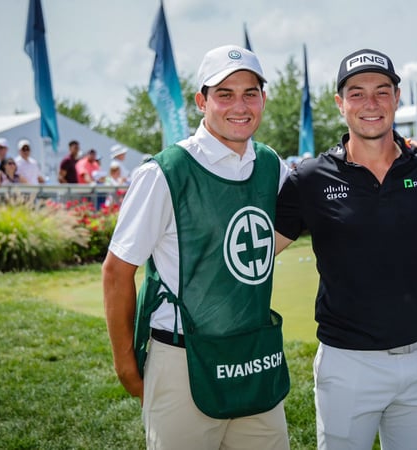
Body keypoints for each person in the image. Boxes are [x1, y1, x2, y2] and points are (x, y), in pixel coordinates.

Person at [274, 48, 417, 450]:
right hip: (348, 364)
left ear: (397, 98)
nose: (371, 104)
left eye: (382, 92)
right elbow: (258, 254)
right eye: (357, 93)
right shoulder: (310, 178)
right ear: (340, 103)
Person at [102, 44, 290, 450]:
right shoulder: (164, 171)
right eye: (225, 94)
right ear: (201, 100)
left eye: (250, 93)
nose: (239, 106)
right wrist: (125, 365)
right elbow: (117, 271)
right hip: (181, 360)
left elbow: (325, 193)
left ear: (263, 99)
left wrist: (395, 151)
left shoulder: (272, 165)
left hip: (253, 354)